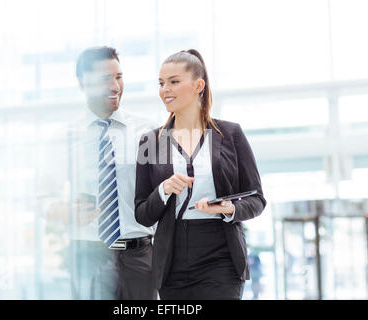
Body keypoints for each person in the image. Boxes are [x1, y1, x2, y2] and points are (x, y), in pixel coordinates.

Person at [134, 49, 266, 300]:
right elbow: (141, 213)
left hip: (221, 256)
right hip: (171, 261)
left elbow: (257, 200)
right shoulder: (150, 142)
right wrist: (164, 190)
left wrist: (228, 208)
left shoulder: (231, 134)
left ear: (198, 86)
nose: (165, 90)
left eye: (174, 82)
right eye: (161, 84)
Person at [40, 46, 157, 300]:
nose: (116, 86)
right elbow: (42, 199)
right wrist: (64, 212)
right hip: (89, 254)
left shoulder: (148, 133)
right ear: (84, 82)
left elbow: (164, 197)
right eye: (106, 78)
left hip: (140, 255)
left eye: (119, 77)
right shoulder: (65, 138)